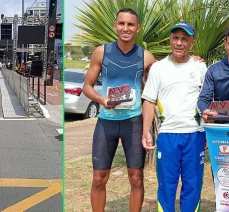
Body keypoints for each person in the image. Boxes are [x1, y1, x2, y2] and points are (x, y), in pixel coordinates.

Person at [83, 8, 156, 212]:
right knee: (98, 178)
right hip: (106, 122)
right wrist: (101, 99)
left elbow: (166, 75)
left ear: (138, 28)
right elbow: (87, 86)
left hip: (133, 122)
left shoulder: (146, 56)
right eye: (122, 23)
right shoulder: (102, 52)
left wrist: (195, 60)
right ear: (115, 26)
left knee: (136, 178)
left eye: (131, 24)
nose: (126, 28)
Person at [141, 21, 207, 212]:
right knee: (166, 186)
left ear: (192, 43)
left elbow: (208, 101)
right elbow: (149, 101)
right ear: (170, 39)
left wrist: (206, 131)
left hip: (195, 135)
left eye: (184, 39)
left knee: (193, 186)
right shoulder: (158, 68)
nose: (179, 43)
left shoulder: (201, 68)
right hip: (168, 135)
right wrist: (146, 131)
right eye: (175, 38)